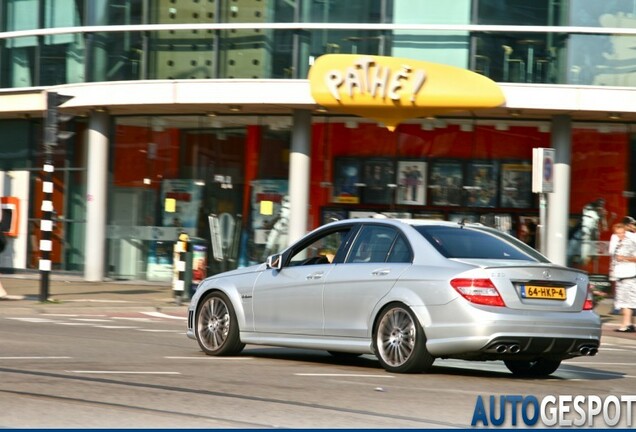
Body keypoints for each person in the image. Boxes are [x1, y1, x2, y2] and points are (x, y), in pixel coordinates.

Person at [610, 222, 636, 332]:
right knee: (623, 300)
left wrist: (624, 258)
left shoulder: (630, 242)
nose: (620, 235)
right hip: (620, 274)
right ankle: (627, 324)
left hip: (630, 274)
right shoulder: (616, 242)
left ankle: (626, 324)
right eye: (617, 233)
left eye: (622, 233)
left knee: (629, 300)